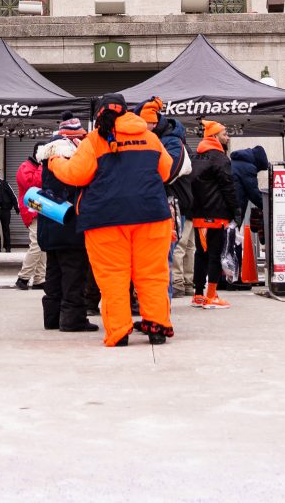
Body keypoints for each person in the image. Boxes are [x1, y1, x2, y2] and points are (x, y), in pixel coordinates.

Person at [48, 93, 174, 346]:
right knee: (152, 274)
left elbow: (77, 175)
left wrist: (54, 162)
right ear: (127, 112)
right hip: (151, 215)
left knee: (113, 276)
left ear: (99, 114)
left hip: (105, 219)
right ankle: (157, 326)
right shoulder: (149, 138)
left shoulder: (94, 140)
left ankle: (119, 332)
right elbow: (166, 170)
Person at [34, 116, 98, 333]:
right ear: (73, 137)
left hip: (49, 221)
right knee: (73, 272)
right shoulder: (71, 157)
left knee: (54, 272)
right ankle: (72, 318)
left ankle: (51, 318)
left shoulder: (47, 156)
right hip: (69, 224)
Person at [145, 100, 193, 299]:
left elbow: (168, 173)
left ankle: (164, 303)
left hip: (171, 204)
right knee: (167, 254)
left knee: (166, 255)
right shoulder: (164, 140)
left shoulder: (172, 141)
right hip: (164, 202)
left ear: (153, 123)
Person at [188, 121, 238, 309]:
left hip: (199, 216)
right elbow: (228, 187)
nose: (228, 137)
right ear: (215, 137)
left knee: (201, 254)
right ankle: (211, 296)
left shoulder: (196, 157)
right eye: (225, 134)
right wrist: (236, 211)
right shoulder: (220, 158)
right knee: (215, 255)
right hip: (217, 215)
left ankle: (198, 295)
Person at [227, 145, 271, 289]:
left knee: (225, 243)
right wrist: (269, 206)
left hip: (226, 208)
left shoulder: (236, 162)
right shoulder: (247, 168)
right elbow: (253, 193)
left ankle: (224, 278)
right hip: (234, 209)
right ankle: (235, 277)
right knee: (234, 242)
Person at [13, 151, 46, 289]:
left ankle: (40, 278)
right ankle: (23, 277)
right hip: (31, 208)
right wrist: (42, 167)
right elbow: (35, 184)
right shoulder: (25, 167)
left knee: (43, 245)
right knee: (37, 244)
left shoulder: (38, 166)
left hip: (42, 208)